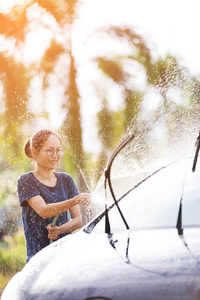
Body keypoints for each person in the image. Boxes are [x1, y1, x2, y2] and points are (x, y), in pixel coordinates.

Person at [17, 129, 91, 262]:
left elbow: (78, 220)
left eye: (58, 150)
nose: (55, 156)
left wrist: (60, 230)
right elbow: (44, 211)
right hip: (38, 259)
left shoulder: (66, 180)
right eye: (50, 150)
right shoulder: (26, 181)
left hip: (65, 256)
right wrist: (75, 200)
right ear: (34, 152)